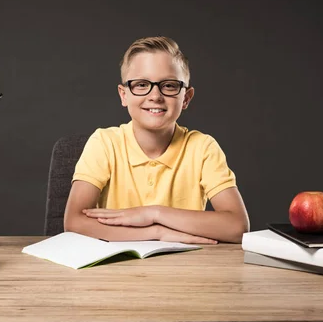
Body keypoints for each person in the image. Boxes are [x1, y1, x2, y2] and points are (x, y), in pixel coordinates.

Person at [64, 36, 250, 244]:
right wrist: (156, 233)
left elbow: (237, 227)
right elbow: (73, 222)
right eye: (142, 84)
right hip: (115, 270)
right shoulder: (104, 143)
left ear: (186, 98)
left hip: (184, 269)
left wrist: (155, 214)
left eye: (169, 85)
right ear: (124, 95)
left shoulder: (202, 147)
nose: (155, 96)